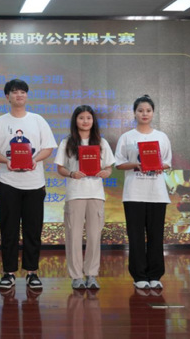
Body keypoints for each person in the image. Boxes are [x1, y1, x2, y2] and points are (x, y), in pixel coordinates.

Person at [0, 79, 57, 290]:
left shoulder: (38, 120)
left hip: (34, 184)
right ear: (7, 96)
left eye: (23, 92)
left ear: (27, 95)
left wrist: (34, 160)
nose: (19, 95)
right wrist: (6, 161)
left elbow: (48, 148)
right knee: (9, 230)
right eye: (15, 92)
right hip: (8, 182)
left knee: (33, 230)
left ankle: (32, 272)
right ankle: (9, 272)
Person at [114, 95, 172, 290]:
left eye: (148, 110)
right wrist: (136, 164)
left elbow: (167, 162)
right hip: (134, 193)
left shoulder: (161, 137)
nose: (144, 114)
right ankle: (139, 275)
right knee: (136, 236)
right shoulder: (127, 137)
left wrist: (158, 166)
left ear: (153, 113)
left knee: (156, 236)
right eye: (140, 111)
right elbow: (119, 163)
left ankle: (155, 275)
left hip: (157, 194)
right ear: (134, 113)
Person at [54, 105, 114, 290]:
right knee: (73, 236)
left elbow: (109, 167)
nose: (85, 121)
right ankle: (76, 276)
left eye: (89, 118)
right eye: (81, 118)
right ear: (75, 120)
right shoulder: (67, 142)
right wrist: (72, 173)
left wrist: (106, 172)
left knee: (94, 236)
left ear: (93, 121)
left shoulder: (101, 142)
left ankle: (92, 275)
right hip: (75, 194)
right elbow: (60, 168)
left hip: (96, 194)